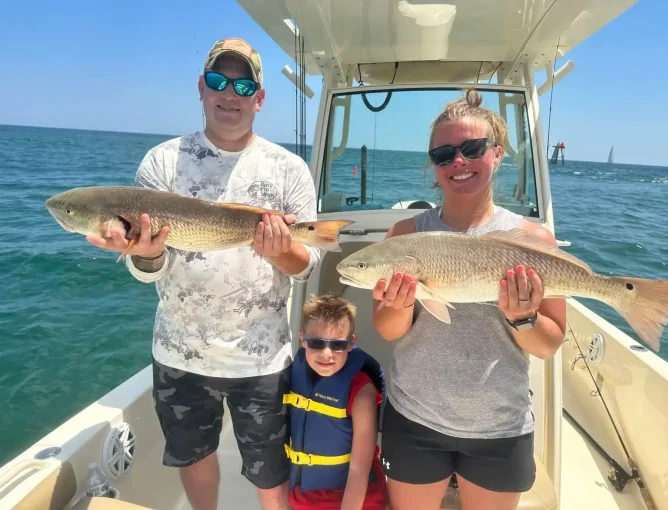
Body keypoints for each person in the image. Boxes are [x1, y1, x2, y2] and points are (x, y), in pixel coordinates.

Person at [85, 37, 320, 510]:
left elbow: (307, 264)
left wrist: (281, 252)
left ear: (259, 96)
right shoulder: (162, 162)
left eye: (242, 83)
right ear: (201, 87)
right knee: (194, 458)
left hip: (262, 356)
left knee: (269, 464)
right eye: (217, 80)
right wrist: (145, 253)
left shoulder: (288, 169)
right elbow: (149, 268)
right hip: (180, 352)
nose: (228, 93)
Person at [371, 89, 567, 510]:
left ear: (496, 154)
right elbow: (388, 330)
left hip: (501, 426)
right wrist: (402, 304)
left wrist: (524, 318)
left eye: (472, 148)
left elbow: (549, 345)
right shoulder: (405, 236)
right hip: (414, 419)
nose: (457, 161)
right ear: (433, 166)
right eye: (444, 154)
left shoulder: (536, 242)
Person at [284, 294, 387, 510]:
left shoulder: (361, 391)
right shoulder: (292, 375)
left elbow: (359, 469)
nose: (327, 354)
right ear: (302, 339)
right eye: (317, 343)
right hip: (303, 498)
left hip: (355, 501)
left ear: (351, 344)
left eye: (337, 344)